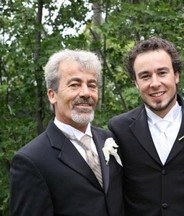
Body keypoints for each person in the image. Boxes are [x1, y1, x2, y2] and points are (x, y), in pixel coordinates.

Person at [108, 36, 184, 216]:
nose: (155, 83)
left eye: (162, 73)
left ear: (176, 75)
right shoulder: (118, 129)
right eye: (145, 76)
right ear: (136, 83)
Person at [9, 49, 124, 216]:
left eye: (91, 85)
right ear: (52, 95)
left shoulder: (110, 140)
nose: (85, 93)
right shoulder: (31, 160)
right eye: (75, 85)